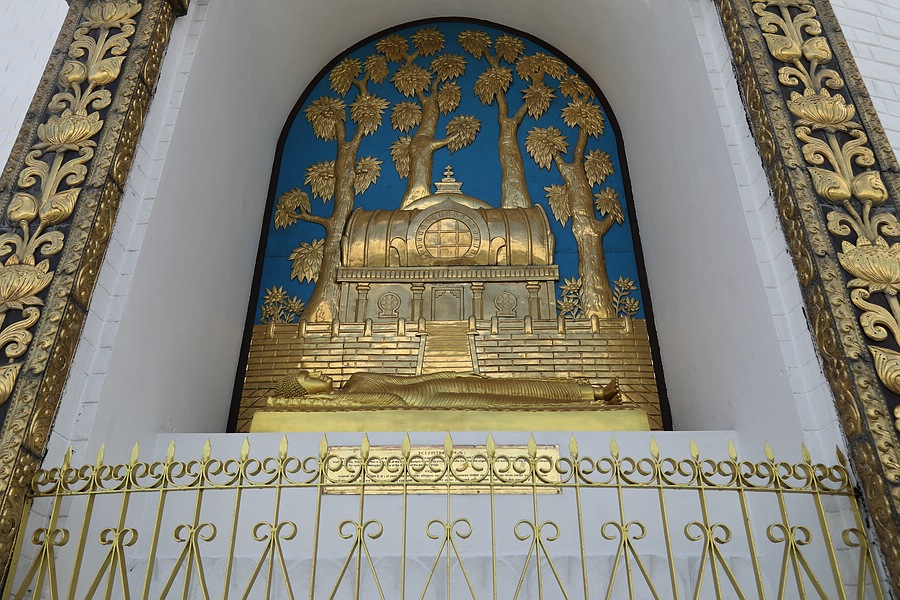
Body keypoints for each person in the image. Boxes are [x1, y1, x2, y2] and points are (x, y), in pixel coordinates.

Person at [268, 370, 621, 409]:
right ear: (303, 392)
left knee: (506, 385)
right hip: (428, 401)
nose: (316, 375)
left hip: (432, 384)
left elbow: (399, 381)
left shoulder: (354, 381)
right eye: (307, 378)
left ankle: (589, 391)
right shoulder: (344, 400)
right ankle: (588, 401)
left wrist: (453, 374)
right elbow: (391, 401)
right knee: (508, 400)